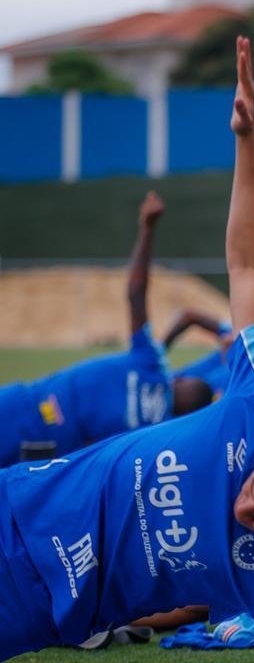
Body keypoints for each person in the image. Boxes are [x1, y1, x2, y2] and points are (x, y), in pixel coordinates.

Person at [0, 37, 254, 663]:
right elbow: (251, 271)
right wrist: (244, 142)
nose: (245, 515)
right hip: (23, 501)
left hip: (42, 605)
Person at [0, 192, 213, 465]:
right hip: (48, 447)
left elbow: (136, 293)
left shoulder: (152, 365)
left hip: (32, 405)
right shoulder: (154, 436)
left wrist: (147, 229)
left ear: (179, 379)